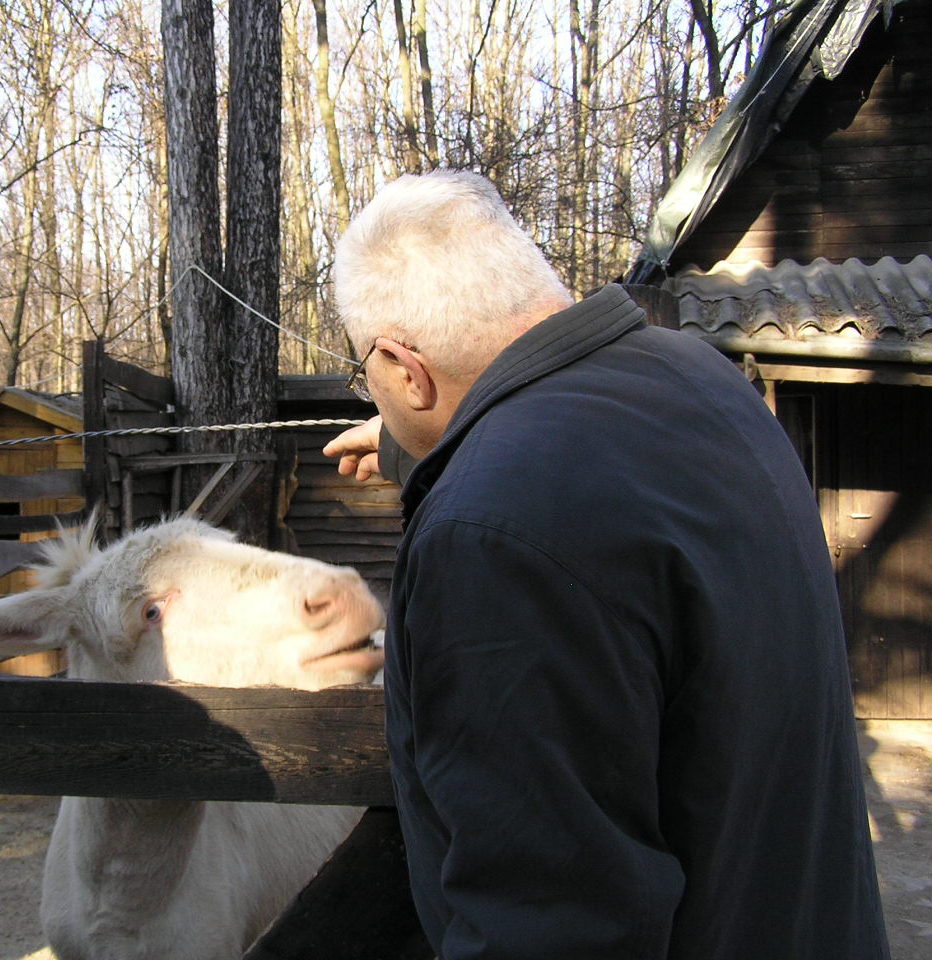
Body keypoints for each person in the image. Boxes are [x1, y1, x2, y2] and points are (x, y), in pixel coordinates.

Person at [324, 169, 889, 959]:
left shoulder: (490, 540)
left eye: (368, 377)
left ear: (405, 369)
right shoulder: (702, 382)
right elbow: (582, 470)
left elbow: (548, 918)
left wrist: (465, 472)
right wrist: (408, 446)